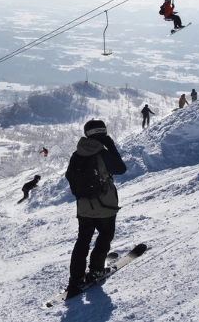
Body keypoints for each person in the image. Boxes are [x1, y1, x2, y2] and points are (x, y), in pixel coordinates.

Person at [65, 119, 127, 297]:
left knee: (83, 240)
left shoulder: (77, 154)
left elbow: (70, 177)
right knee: (105, 236)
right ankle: (96, 271)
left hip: (84, 206)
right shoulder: (103, 154)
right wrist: (111, 147)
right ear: (104, 133)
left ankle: (75, 279)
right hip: (105, 205)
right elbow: (121, 168)